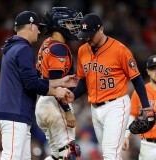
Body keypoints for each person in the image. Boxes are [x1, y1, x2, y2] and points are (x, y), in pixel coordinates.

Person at [64, 13, 154, 160]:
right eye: (85, 35)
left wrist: (146, 107)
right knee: (110, 154)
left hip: (116, 106)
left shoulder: (120, 50)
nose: (87, 38)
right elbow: (84, 81)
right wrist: (74, 95)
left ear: (101, 29)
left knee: (110, 154)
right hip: (94, 108)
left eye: (91, 34)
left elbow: (137, 80)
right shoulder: (82, 51)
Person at [0, 11, 76, 160]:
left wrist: (58, 82)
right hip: (14, 112)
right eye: (37, 27)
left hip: (14, 112)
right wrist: (56, 92)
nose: (39, 31)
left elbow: (29, 80)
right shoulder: (23, 49)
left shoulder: (13, 47)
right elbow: (31, 83)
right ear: (31, 26)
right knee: (12, 157)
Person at [35, 7, 83, 160]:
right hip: (55, 103)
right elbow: (55, 85)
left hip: (43, 103)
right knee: (70, 153)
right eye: (69, 23)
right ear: (58, 25)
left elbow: (42, 78)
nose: (73, 27)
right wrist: (66, 109)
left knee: (57, 156)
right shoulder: (59, 48)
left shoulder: (46, 44)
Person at [123, 55, 156, 160]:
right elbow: (132, 114)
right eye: (153, 69)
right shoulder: (141, 91)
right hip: (148, 145)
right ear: (148, 71)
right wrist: (125, 136)